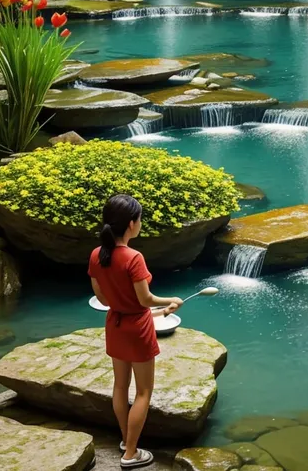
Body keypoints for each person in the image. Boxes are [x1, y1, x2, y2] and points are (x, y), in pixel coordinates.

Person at [88, 194, 183, 469]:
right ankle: (131, 454)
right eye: (140, 219)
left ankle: (124, 439)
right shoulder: (134, 257)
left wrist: (156, 312)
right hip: (137, 329)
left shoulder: (97, 254)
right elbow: (145, 300)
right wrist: (170, 301)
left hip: (115, 323)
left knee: (120, 385)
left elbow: (106, 299)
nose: (140, 224)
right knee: (143, 392)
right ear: (131, 224)